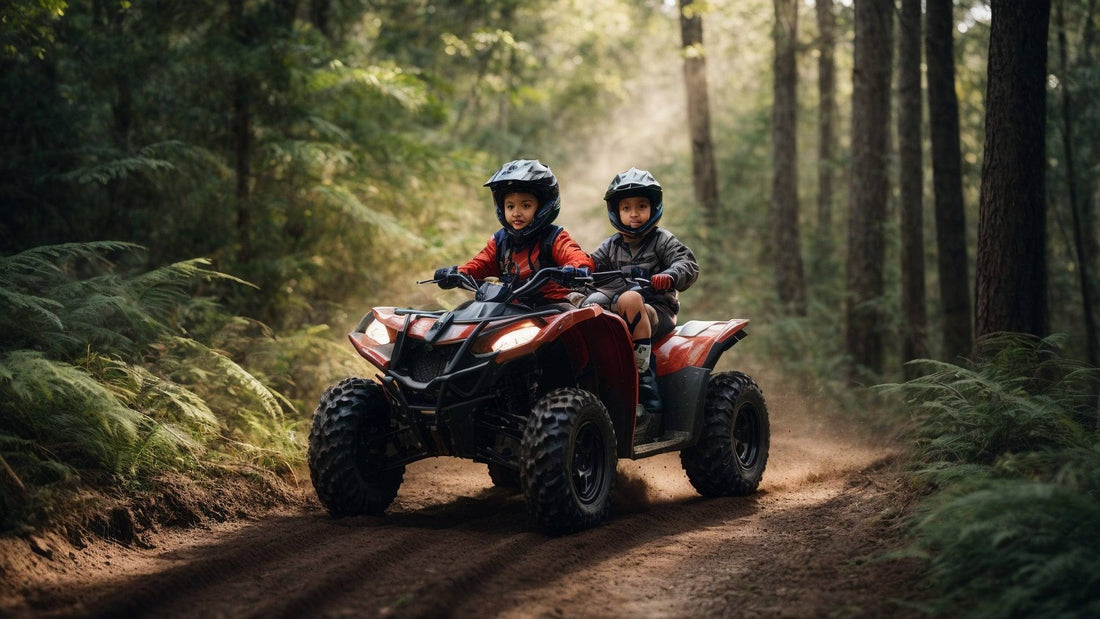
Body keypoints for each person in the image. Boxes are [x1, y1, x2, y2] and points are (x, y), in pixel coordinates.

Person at [587, 167, 699, 441]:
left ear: (653, 208)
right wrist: (573, 273)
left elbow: (688, 263)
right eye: (626, 207)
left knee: (630, 298)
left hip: (657, 311)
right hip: (623, 311)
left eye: (641, 206)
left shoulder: (662, 240)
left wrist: (670, 275)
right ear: (616, 211)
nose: (634, 213)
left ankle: (650, 406)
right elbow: (589, 267)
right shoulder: (610, 245)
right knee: (587, 302)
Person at [434, 159, 594, 306]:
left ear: (542, 207)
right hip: (511, 308)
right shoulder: (500, 240)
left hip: (553, 306)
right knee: (468, 313)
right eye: (510, 206)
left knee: (573, 316)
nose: (516, 213)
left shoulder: (553, 237)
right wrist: (456, 273)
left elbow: (575, 255)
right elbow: (480, 264)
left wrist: (575, 269)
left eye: (525, 206)